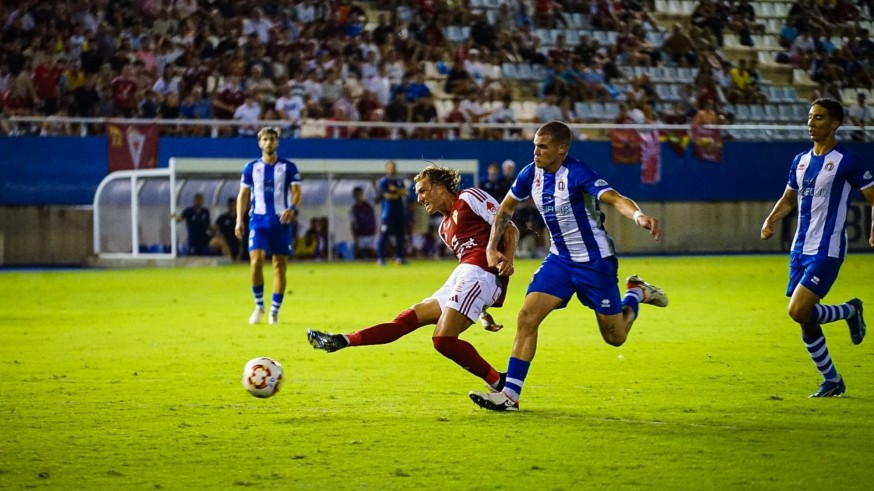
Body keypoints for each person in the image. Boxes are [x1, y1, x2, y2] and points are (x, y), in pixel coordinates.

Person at [469, 121, 669, 412]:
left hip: (595, 263)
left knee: (615, 337)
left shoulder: (577, 173)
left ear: (561, 149)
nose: (535, 151)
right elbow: (506, 208)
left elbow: (614, 198)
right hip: (560, 261)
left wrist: (638, 216)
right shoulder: (530, 173)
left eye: (543, 146)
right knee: (527, 317)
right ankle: (510, 396)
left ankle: (636, 293)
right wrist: (490, 247)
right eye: (535, 145)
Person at [307, 164, 519, 393]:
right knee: (405, 321)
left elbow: (510, 229)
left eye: (423, 191)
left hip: (479, 273)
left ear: (440, 188)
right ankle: (343, 340)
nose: (418, 198)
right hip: (464, 276)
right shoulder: (444, 229)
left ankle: (499, 382)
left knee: (443, 340)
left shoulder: (469, 197)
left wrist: (506, 263)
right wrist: (483, 310)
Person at [760, 98, 874, 398]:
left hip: (828, 249)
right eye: (810, 117)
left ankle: (850, 311)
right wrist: (770, 219)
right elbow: (788, 199)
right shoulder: (799, 161)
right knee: (803, 317)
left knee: (798, 309)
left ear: (835, 124)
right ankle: (832, 379)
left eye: (819, 118)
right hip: (800, 249)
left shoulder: (848, 161)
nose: (811, 123)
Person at [235, 127, 302, 325]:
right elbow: (243, 195)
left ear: (277, 142)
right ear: (259, 143)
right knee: (256, 261)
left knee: (279, 266)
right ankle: (259, 305)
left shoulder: (288, 167)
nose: (269, 142)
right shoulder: (251, 168)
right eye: (265, 139)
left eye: (272, 139)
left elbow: (297, 192)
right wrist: (239, 220)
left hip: (281, 221)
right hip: (258, 220)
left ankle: (274, 311)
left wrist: (291, 207)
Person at [376, 160, 408, 265]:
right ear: (386, 169)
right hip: (388, 213)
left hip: (399, 212)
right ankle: (380, 258)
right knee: (384, 236)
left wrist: (394, 190)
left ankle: (399, 257)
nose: (392, 169)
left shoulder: (399, 180)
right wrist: (398, 192)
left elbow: (405, 193)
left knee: (400, 236)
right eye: (390, 167)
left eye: (393, 167)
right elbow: (387, 196)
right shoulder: (384, 181)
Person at [350, 186, 377, 259]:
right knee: (360, 254)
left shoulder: (369, 205)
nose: (358, 197)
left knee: (373, 254)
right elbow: (352, 225)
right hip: (361, 235)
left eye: (359, 194)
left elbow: (379, 198)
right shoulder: (354, 209)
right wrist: (355, 239)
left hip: (371, 234)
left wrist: (375, 187)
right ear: (354, 196)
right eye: (356, 195)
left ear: (362, 194)